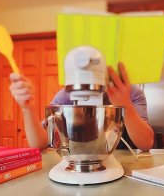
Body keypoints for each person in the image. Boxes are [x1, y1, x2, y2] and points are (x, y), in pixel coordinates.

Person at [9, 63, 154, 151]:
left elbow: (146, 144)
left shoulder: (131, 92)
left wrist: (125, 105)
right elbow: (39, 143)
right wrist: (27, 108)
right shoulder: (66, 95)